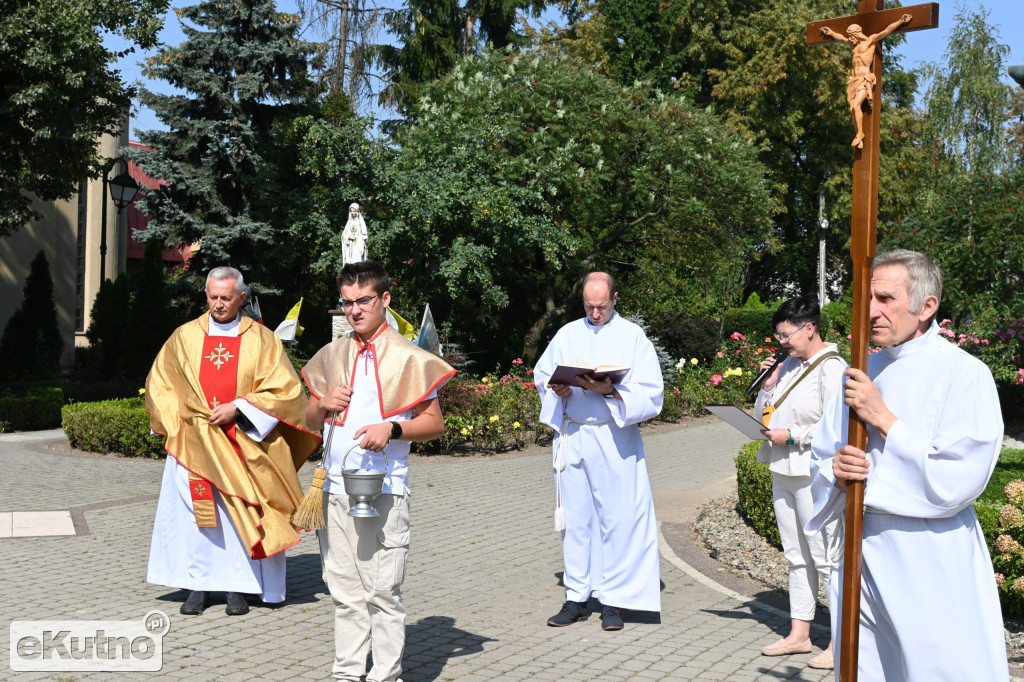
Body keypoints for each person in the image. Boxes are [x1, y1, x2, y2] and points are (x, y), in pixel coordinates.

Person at [807, 249, 1009, 681]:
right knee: (867, 667)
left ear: (927, 306)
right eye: (868, 299)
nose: (871, 311)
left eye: (885, 299)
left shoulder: (964, 373)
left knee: (938, 667)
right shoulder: (861, 370)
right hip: (862, 547)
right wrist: (837, 472)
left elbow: (961, 473)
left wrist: (883, 419)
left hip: (929, 555)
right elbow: (823, 455)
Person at [302, 260, 455, 682]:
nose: (354, 310)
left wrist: (392, 427)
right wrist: (322, 404)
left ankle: (386, 676)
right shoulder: (332, 354)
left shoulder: (409, 357)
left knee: (382, 592)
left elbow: (435, 424)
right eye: (347, 302)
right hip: (332, 488)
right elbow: (310, 420)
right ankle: (347, 674)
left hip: (384, 490)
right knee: (345, 593)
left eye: (363, 300)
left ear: (384, 299)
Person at [145, 267, 321, 616]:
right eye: (212, 297)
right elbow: (161, 382)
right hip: (194, 444)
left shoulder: (262, 339)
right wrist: (175, 424)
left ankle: (238, 587)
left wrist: (238, 408)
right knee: (197, 516)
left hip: (244, 442)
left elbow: (284, 391)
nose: (218, 304)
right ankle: (198, 585)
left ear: (242, 297)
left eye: (226, 297)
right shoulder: (184, 337)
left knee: (238, 514)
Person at [533, 272, 664, 631]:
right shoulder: (568, 334)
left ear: (615, 298)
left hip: (613, 436)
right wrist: (557, 390)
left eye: (601, 306)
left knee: (617, 518)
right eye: (589, 306)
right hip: (574, 434)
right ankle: (577, 596)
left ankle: (613, 601)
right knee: (576, 520)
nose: (595, 312)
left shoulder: (633, 337)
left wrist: (608, 391)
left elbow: (653, 394)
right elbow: (542, 373)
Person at [754, 295, 845, 669]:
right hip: (783, 469)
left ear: (810, 328)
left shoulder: (833, 368)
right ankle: (799, 634)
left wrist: (791, 435)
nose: (782, 343)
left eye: (787, 334)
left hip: (814, 472)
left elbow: (833, 426)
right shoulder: (788, 366)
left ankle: (841, 643)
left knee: (825, 558)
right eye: (779, 336)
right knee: (796, 554)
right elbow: (764, 415)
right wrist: (768, 384)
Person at [820, 14, 911, 148]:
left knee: (856, 105)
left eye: (851, 35)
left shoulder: (870, 41)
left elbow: (886, 31)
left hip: (864, 79)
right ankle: (859, 137)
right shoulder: (853, 46)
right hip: (853, 81)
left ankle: (861, 133)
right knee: (852, 108)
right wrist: (831, 32)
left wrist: (900, 21)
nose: (850, 39)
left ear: (857, 34)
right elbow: (841, 39)